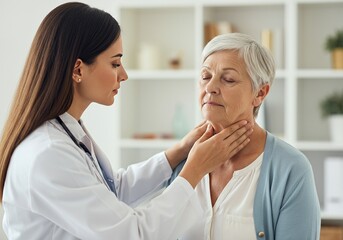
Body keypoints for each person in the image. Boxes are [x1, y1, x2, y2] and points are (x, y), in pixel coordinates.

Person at [0, 3, 254, 240]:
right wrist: (195, 170)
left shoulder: (66, 133)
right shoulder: (48, 153)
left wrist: (177, 153)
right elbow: (132, 233)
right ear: (78, 70)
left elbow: (111, 191)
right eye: (115, 63)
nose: (124, 75)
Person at [172, 33, 321, 240]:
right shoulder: (181, 161)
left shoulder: (291, 170)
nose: (210, 87)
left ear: (260, 93)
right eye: (206, 76)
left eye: (228, 79)